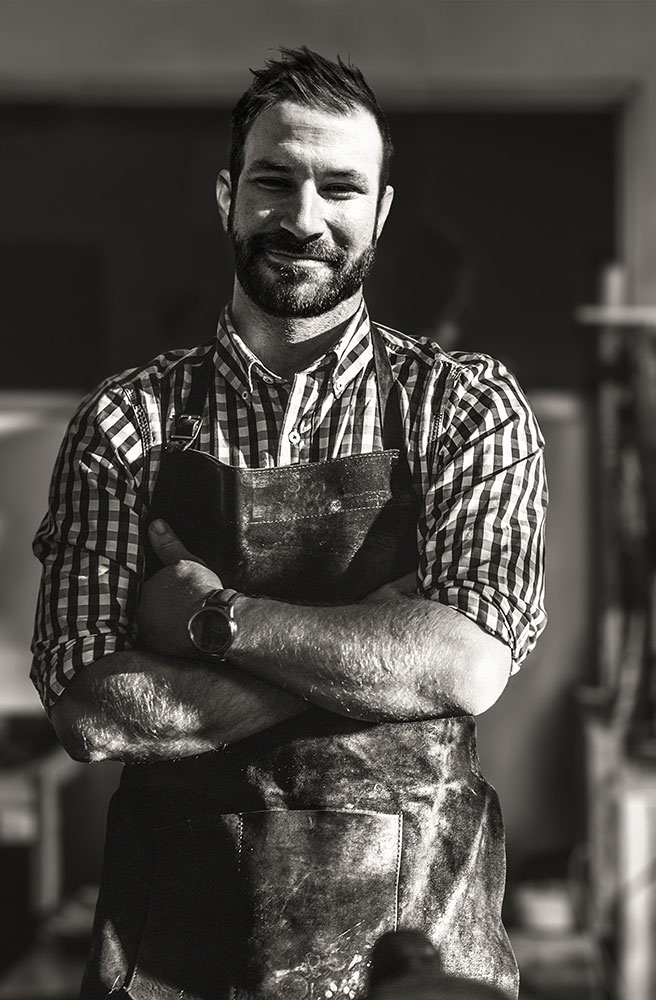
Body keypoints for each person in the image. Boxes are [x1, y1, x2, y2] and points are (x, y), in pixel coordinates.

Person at [31, 47, 546, 1000]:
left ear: (379, 212)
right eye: (275, 181)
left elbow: (468, 666)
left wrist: (214, 621)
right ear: (229, 196)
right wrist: (375, 651)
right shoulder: (127, 424)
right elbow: (90, 710)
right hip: (174, 957)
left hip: (412, 953)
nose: (304, 218)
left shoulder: (466, 409)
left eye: (340, 187)